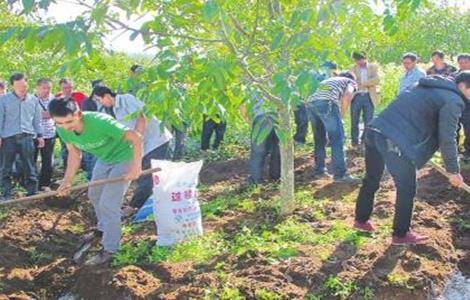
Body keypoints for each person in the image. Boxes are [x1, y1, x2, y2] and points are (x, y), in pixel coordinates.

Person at [354, 73, 470, 245]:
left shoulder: (426, 85)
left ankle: (361, 221)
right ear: (464, 86)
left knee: (371, 178)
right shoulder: (454, 100)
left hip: (375, 130)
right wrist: (453, 170)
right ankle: (401, 234)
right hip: (394, 140)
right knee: (407, 187)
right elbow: (447, 137)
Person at [50, 98, 143, 265]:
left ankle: (110, 249)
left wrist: (136, 167)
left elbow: (135, 138)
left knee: (109, 204)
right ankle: (102, 228)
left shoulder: (100, 122)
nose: (66, 126)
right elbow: (74, 153)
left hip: (124, 157)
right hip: (104, 159)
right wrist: (67, 181)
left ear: (78, 114)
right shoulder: (62, 129)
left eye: (69, 121)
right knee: (94, 195)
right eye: (60, 123)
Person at [92, 86, 172, 213]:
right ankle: (142, 203)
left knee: (148, 176)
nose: (100, 103)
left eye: (99, 99)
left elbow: (141, 117)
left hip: (156, 141)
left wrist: (137, 140)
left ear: (106, 96)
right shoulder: (114, 110)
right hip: (143, 146)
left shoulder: (126, 99)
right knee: (141, 175)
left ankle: (134, 207)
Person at [307, 72, 359, 182]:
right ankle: (340, 174)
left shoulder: (328, 81)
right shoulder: (350, 82)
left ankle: (320, 171)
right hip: (327, 103)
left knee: (319, 139)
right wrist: (342, 115)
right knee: (337, 139)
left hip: (310, 104)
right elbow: (347, 95)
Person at [0, 73, 44, 199]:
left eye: (24, 85)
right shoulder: (3, 100)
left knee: (30, 165)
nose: (22, 88)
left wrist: (40, 135)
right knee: (6, 166)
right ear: (12, 85)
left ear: (27, 84)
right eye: (18, 86)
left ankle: (32, 191)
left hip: (27, 136)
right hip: (8, 137)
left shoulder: (34, 100)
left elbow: (37, 120)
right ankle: (6, 192)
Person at [294, 61, 337, 145]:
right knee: (302, 121)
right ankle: (300, 140)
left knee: (319, 122)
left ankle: (323, 141)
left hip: (315, 100)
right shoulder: (313, 74)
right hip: (303, 99)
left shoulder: (327, 75)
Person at [243, 89, 280, 184]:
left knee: (257, 152)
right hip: (277, 119)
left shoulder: (252, 87)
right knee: (277, 149)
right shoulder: (277, 83)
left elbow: (243, 106)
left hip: (260, 118)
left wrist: (250, 121)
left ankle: (256, 180)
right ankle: (276, 176)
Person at [349, 52, 380, 147]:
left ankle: (364, 141)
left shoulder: (373, 67)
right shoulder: (352, 68)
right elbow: (351, 81)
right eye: (356, 60)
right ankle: (354, 142)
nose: (358, 62)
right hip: (356, 96)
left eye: (359, 60)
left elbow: (376, 80)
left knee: (368, 120)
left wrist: (363, 84)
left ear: (365, 58)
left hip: (368, 96)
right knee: (354, 120)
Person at [56, 78, 88, 169]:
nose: (67, 90)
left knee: (84, 147)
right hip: (65, 128)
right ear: (61, 88)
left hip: (79, 127)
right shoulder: (57, 98)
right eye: (64, 88)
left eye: (69, 87)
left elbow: (89, 107)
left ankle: (84, 169)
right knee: (66, 149)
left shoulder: (80, 96)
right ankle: (69, 169)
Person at [34, 78, 56, 190]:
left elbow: (55, 114)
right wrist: (46, 114)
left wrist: (46, 114)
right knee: (31, 160)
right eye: (44, 88)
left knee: (48, 161)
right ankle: (31, 185)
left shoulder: (54, 99)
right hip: (33, 135)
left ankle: (45, 184)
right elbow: (30, 115)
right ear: (37, 87)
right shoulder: (31, 99)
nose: (46, 90)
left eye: (49, 88)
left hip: (49, 134)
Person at [452, 54, 470, 161]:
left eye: (466, 62)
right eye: (461, 62)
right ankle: (454, 152)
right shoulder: (454, 76)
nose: (463, 65)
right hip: (457, 106)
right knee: (454, 129)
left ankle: (468, 151)